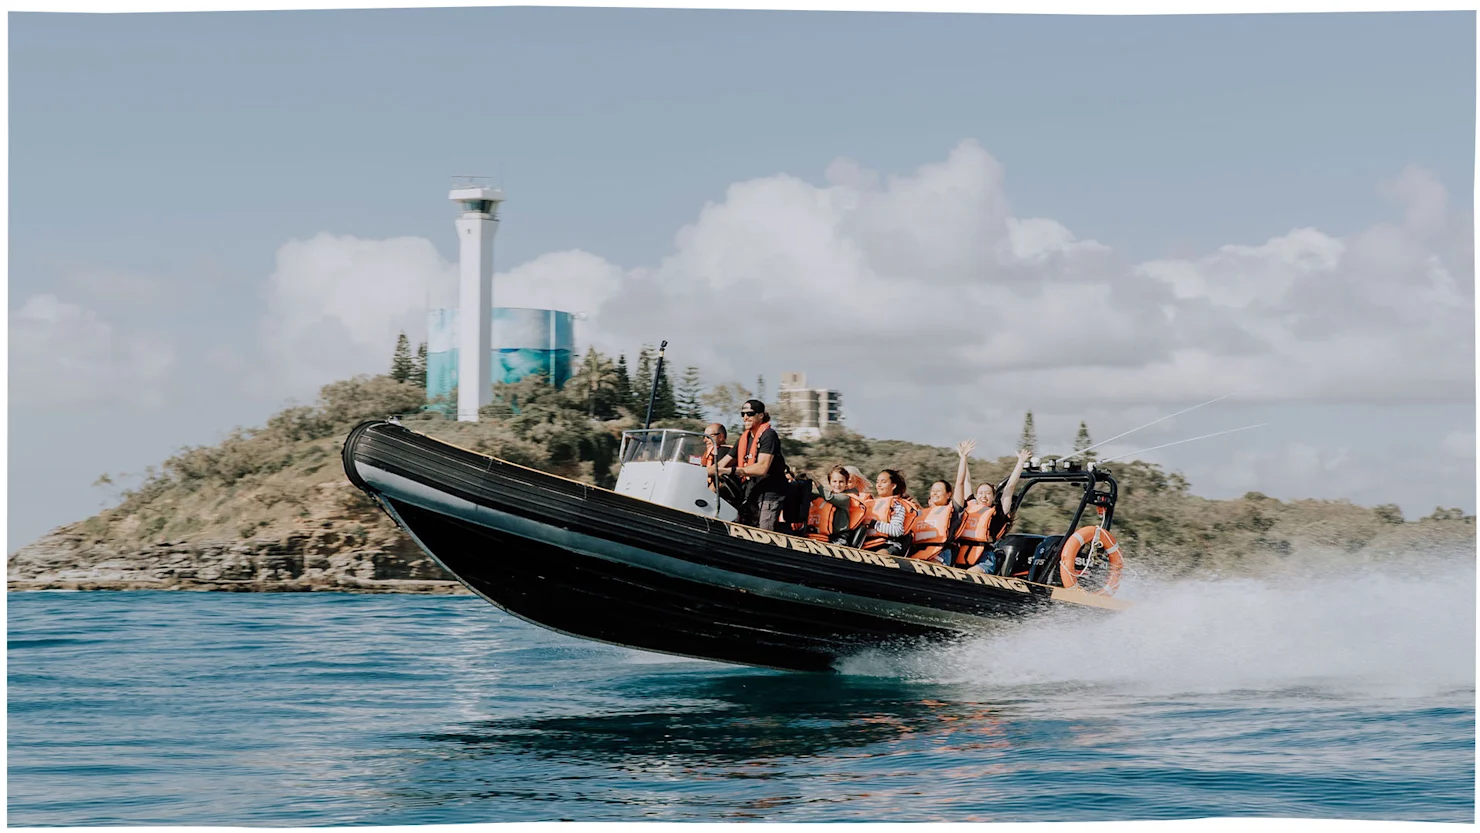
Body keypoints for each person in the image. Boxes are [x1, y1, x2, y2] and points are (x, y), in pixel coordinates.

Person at [951, 440, 1031, 573]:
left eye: (988, 493)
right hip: (960, 554)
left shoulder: (999, 512)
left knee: (968, 574)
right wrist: (963, 457)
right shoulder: (970, 505)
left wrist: (1020, 462)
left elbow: (1010, 487)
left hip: (984, 558)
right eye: (980, 493)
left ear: (993, 497)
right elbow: (966, 480)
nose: (984, 496)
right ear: (976, 496)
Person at [711, 400, 788, 531]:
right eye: (743, 414)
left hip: (770, 492)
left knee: (764, 531)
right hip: (752, 491)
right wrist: (699, 473)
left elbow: (762, 468)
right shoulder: (744, 439)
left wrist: (730, 471)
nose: (745, 417)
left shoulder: (769, 435)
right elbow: (721, 464)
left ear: (761, 415)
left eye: (750, 414)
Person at [804, 465, 872, 545]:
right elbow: (814, 495)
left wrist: (815, 480)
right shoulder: (826, 495)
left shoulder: (845, 498)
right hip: (827, 536)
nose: (837, 485)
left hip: (839, 538)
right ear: (830, 482)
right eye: (834, 481)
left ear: (846, 484)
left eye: (841, 482)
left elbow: (829, 497)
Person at [861, 469, 919, 557]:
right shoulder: (869, 503)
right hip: (867, 544)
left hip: (888, 545)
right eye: (877, 482)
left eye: (883, 482)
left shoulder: (897, 505)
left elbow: (897, 531)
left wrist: (873, 523)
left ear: (893, 486)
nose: (879, 485)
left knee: (879, 556)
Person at [909, 479, 959, 565]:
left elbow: (960, 484)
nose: (935, 493)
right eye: (933, 491)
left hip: (939, 554)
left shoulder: (954, 513)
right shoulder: (921, 513)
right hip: (918, 553)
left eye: (938, 491)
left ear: (948, 495)